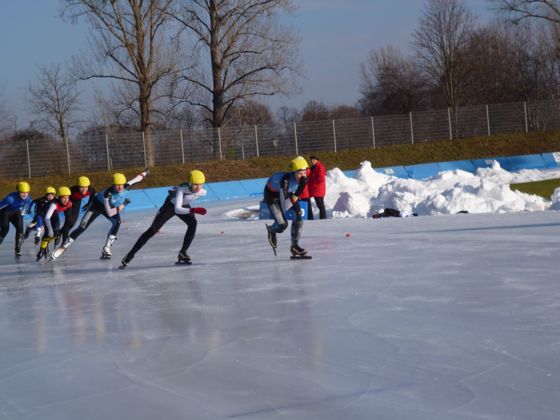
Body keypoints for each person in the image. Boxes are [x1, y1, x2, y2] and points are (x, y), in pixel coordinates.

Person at [119, 170, 208, 269]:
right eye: (195, 184)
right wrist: (193, 210)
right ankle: (130, 255)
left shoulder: (203, 192)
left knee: (193, 223)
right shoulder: (182, 189)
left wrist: (191, 209)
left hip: (183, 205)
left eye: (200, 184)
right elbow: (177, 209)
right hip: (170, 206)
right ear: (190, 183)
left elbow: (184, 203)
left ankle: (183, 253)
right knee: (152, 230)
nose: (198, 187)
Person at [53, 169, 148, 260]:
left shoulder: (127, 187)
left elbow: (137, 179)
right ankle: (64, 246)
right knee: (82, 227)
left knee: (117, 222)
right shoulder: (108, 193)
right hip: (96, 206)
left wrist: (145, 172)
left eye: (121, 185)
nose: (119, 187)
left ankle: (107, 248)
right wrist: (123, 205)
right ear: (113, 185)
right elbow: (110, 213)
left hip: (109, 205)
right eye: (117, 185)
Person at [264, 156, 309, 257]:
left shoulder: (304, 179)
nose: (302, 176)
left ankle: (294, 245)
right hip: (272, 195)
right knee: (282, 225)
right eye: (299, 173)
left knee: (298, 215)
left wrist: (298, 191)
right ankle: (272, 229)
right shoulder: (285, 181)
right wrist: (299, 191)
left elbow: (292, 197)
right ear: (293, 173)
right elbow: (285, 206)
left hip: (287, 193)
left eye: (304, 173)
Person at [36, 187, 73, 261]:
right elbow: (47, 218)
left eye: (67, 197)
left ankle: (47, 243)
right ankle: (41, 250)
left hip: (55, 214)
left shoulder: (69, 203)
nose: (66, 200)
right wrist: (50, 229)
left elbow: (68, 220)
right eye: (64, 198)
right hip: (45, 215)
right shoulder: (54, 204)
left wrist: (64, 236)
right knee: (48, 233)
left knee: (56, 233)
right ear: (59, 198)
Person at [0, 181, 33, 258]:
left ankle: (18, 249)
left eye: (26, 192)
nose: (25, 195)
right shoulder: (10, 199)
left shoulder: (28, 198)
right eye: (22, 192)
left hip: (16, 212)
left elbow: (25, 206)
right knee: (5, 229)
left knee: (20, 229)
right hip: (5, 212)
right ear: (18, 192)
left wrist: (22, 215)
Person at [60, 176, 96, 244]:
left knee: (72, 224)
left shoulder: (90, 190)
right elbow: (62, 197)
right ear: (78, 186)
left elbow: (93, 193)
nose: (84, 190)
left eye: (86, 187)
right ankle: (63, 242)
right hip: (68, 203)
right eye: (81, 187)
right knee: (68, 222)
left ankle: (60, 233)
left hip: (77, 203)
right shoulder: (72, 191)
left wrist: (89, 203)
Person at [308, 155, 327, 220]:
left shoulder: (320, 167)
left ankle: (323, 218)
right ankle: (322, 218)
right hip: (315, 189)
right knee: (319, 205)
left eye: (313, 160)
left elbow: (321, 178)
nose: (312, 161)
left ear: (317, 160)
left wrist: (313, 181)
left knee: (320, 205)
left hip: (318, 189)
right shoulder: (314, 167)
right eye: (311, 160)